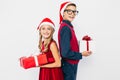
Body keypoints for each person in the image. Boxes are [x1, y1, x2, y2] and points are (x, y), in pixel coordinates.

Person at [58, 1, 92, 80]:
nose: (72, 14)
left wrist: (81, 43)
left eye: (74, 11)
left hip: (70, 64)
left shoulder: (68, 26)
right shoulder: (66, 28)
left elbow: (70, 45)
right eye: (69, 11)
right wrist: (81, 54)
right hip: (68, 65)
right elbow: (65, 53)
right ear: (63, 13)